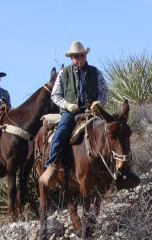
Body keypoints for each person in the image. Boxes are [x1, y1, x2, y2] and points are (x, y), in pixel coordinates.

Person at [39, 41, 108, 185]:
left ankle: (119, 170)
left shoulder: (96, 72)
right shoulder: (64, 73)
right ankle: (52, 165)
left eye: (81, 56)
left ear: (85, 56)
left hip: (91, 111)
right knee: (61, 133)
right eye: (75, 57)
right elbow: (55, 95)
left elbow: (104, 92)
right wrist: (67, 105)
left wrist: (99, 103)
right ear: (71, 58)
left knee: (112, 132)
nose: (78, 59)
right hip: (71, 112)